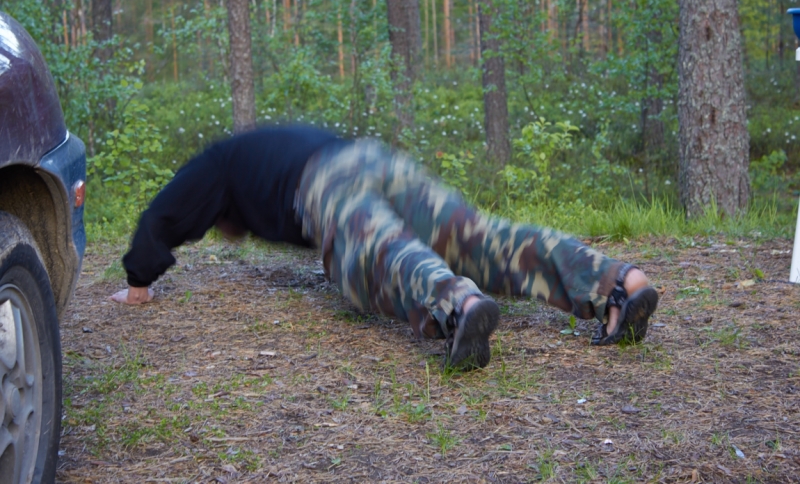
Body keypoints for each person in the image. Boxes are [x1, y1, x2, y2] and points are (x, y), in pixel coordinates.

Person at [110, 124, 658, 370]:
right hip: (376, 160)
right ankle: (617, 283)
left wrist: (138, 281)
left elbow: (166, 210)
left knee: (374, 256)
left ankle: (457, 304)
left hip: (325, 181)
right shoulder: (265, 145)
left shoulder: (222, 161)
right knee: (480, 237)